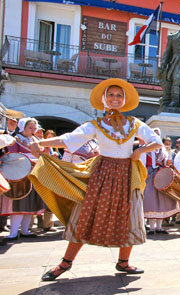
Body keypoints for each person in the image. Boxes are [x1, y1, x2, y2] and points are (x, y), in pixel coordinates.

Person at [29, 78, 163, 280]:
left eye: (119, 95)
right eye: (111, 95)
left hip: (127, 174)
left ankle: (123, 262)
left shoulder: (135, 123)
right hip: (102, 173)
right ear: (104, 99)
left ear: (124, 100)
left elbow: (157, 141)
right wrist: (41, 141)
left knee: (129, 215)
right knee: (87, 214)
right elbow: (69, 139)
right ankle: (65, 263)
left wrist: (140, 150)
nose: (115, 98)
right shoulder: (96, 124)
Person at [1, 117, 46, 242]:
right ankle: (13, 233)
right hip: (21, 175)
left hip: (34, 174)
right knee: (19, 203)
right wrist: (29, 160)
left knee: (30, 204)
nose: (33, 130)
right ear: (23, 127)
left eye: (34, 128)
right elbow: (11, 157)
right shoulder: (16, 139)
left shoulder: (35, 139)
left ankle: (25, 230)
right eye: (30, 128)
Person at [141, 130, 178, 235]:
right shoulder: (146, 148)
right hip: (150, 175)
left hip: (161, 174)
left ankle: (159, 227)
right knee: (151, 200)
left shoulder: (162, 149)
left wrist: (169, 153)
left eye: (157, 134)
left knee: (162, 200)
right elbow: (143, 163)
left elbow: (167, 163)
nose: (156, 135)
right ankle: (151, 227)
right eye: (154, 133)